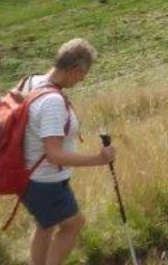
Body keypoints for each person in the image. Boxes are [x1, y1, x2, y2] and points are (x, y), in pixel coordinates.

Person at [20, 38, 115, 265]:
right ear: (74, 69)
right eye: (83, 74)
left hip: (28, 175)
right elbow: (54, 154)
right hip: (45, 180)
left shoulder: (31, 82)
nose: (83, 79)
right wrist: (99, 159)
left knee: (46, 224)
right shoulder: (52, 102)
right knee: (74, 224)